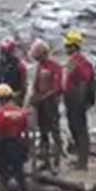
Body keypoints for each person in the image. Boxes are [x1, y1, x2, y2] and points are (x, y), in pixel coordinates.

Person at [0, 84, 32, 191]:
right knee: (20, 176)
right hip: (18, 144)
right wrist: (26, 148)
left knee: (3, 177)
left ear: (0, 99)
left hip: (4, 145)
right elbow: (26, 131)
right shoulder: (21, 112)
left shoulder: (0, 113)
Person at [63, 31, 96, 170]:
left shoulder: (81, 62)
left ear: (74, 46)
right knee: (73, 128)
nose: (65, 48)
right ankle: (79, 158)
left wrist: (80, 102)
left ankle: (82, 162)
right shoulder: (73, 60)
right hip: (71, 98)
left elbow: (84, 82)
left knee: (80, 129)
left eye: (68, 46)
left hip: (77, 99)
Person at [28, 40, 65, 172]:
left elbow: (58, 88)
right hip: (41, 104)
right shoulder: (40, 66)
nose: (38, 60)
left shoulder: (55, 67)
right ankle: (45, 160)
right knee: (43, 132)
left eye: (39, 57)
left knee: (55, 132)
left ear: (44, 54)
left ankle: (57, 161)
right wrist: (33, 96)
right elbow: (36, 84)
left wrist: (43, 97)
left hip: (51, 104)